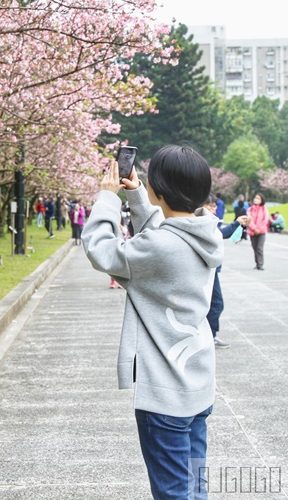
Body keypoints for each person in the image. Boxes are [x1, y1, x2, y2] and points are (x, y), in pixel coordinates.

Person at [82, 145, 223, 500]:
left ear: (160, 190)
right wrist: (140, 197)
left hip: (165, 395)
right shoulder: (206, 232)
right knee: (194, 485)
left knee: (174, 493)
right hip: (197, 385)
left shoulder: (160, 248)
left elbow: (100, 249)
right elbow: (165, 234)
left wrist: (107, 198)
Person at [204, 195, 249, 349]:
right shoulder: (204, 222)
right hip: (208, 269)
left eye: (214, 206)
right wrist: (236, 223)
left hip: (210, 268)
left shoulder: (209, 221)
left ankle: (209, 334)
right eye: (210, 206)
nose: (214, 209)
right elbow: (218, 236)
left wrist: (237, 224)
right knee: (216, 303)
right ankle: (210, 335)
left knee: (213, 303)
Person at [247, 192, 270, 270]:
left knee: (259, 248)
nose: (256, 199)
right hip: (252, 232)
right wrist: (254, 228)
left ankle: (260, 264)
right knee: (254, 247)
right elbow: (249, 220)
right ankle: (257, 263)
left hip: (261, 232)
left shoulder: (264, 209)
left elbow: (265, 220)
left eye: (258, 198)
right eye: (255, 198)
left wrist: (258, 229)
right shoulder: (250, 209)